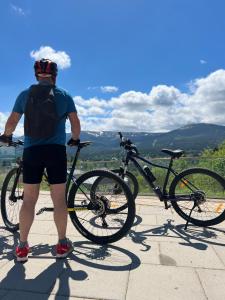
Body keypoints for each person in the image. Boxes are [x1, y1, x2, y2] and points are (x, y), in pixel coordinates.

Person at [0, 58, 81, 262]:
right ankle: (62, 244)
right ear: (55, 75)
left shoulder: (25, 94)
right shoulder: (64, 95)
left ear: (36, 75)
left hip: (32, 151)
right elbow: (75, 125)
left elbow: (12, 121)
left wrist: (6, 136)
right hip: (55, 152)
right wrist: (74, 140)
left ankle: (22, 247)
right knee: (59, 199)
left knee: (28, 200)